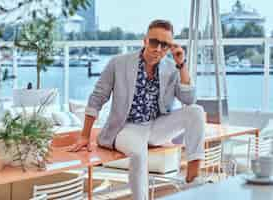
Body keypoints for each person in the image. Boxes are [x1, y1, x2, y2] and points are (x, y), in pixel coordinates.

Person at [71, 19, 205, 200]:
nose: (158, 49)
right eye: (154, 42)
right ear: (145, 40)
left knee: (196, 111)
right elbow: (97, 98)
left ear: (169, 48)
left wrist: (181, 64)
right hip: (126, 128)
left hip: (156, 127)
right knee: (138, 153)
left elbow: (189, 99)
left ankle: (193, 177)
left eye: (164, 45)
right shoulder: (118, 63)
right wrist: (85, 135)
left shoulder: (171, 69)